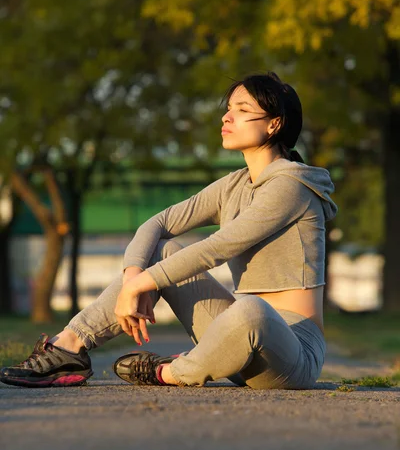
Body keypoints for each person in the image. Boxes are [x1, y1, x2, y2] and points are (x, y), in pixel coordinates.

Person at [0, 72, 337, 390]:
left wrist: (144, 283)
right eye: (228, 109)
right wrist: (134, 277)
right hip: (236, 342)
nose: (226, 118)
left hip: (293, 355)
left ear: (274, 124)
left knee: (251, 310)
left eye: (242, 109)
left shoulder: (292, 186)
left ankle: (171, 371)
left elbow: (216, 248)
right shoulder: (233, 185)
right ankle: (69, 347)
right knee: (162, 252)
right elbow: (157, 224)